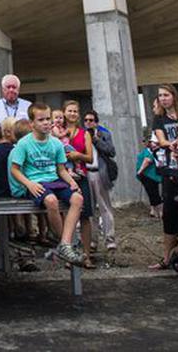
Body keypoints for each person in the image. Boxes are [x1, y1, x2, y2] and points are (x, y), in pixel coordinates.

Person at [9, 103, 85, 265]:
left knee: (78, 199)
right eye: (40, 119)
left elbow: (61, 170)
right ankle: (63, 241)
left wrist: (72, 182)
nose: (45, 122)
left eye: (48, 119)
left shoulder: (56, 143)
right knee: (51, 201)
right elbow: (14, 170)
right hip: (36, 183)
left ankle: (65, 243)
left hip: (54, 181)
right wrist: (29, 184)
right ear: (32, 124)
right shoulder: (24, 143)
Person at [149, 83, 178, 271]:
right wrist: (173, 144)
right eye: (160, 95)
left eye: (166, 95)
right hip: (170, 168)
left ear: (174, 96)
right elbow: (161, 140)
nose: (163, 98)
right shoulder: (159, 119)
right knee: (169, 211)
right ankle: (167, 257)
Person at [61, 100, 97, 265]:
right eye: (70, 111)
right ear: (64, 112)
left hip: (81, 177)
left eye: (75, 111)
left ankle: (87, 255)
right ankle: (70, 254)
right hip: (64, 178)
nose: (73, 114)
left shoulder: (85, 133)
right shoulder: (57, 132)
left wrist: (78, 156)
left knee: (85, 216)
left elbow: (90, 157)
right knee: (68, 216)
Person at [84, 111, 119, 247]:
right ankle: (93, 240)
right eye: (86, 120)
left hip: (100, 172)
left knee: (105, 207)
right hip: (86, 173)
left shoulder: (104, 134)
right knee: (90, 209)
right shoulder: (82, 135)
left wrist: (97, 140)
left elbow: (111, 151)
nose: (88, 122)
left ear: (96, 122)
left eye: (91, 120)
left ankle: (110, 239)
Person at [135, 135, 162, 218]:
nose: (145, 143)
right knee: (151, 193)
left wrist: (140, 171)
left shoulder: (152, 152)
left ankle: (160, 211)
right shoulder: (146, 151)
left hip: (150, 175)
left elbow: (147, 161)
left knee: (154, 193)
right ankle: (153, 210)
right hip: (145, 175)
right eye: (144, 141)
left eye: (148, 141)